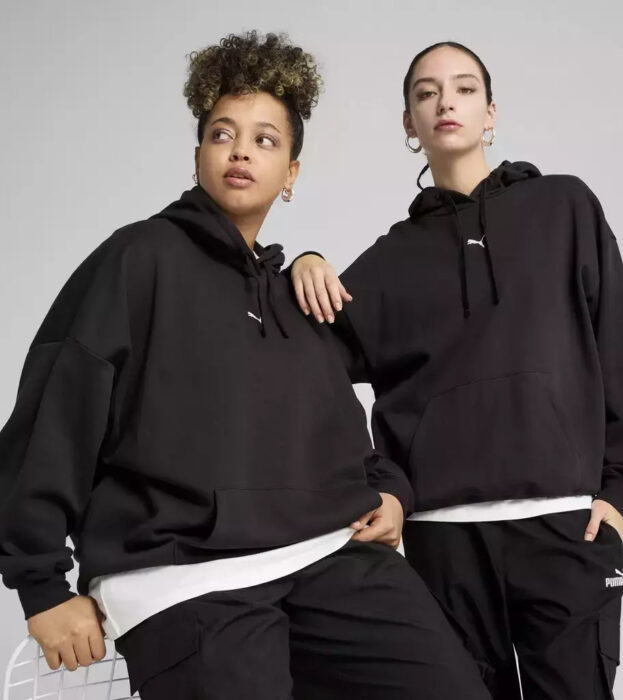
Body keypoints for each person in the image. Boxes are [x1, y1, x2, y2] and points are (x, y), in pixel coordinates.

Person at [0, 32, 492, 699]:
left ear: (290, 174)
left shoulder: (294, 297)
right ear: (197, 156)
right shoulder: (138, 259)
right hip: (180, 577)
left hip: (323, 555)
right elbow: (53, 420)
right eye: (222, 134)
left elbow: (341, 433)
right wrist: (40, 584)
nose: (240, 151)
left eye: (265, 140)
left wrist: (392, 492)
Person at [291, 40, 623, 699]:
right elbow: (302, 359)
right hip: (444, 539)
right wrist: (304, 261)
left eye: (464, 89)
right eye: (426, 93)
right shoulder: (392, 260)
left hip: (566, 526)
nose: (446, 103)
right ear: (410, 122)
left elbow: (617, 344)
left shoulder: (564, 207)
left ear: (490, 113)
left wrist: (621, 490)